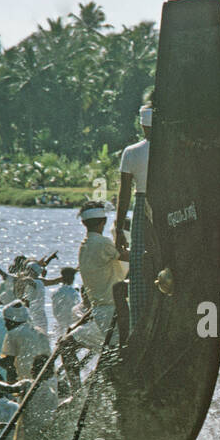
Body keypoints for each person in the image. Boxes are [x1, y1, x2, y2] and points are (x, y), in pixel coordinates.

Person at [116, 103, 152, 331]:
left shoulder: (132, 152)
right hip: (169, 206)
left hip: (142, 204)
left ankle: (138, 321)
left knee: (138, 263)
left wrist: (119, 228)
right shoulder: (175, 151)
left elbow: (124, 193)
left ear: (141, 124)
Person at [76, 202, 128, 345]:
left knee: (114, 348)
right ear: (104, 222)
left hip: (99, 309)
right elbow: (128, 257)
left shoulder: (84, 245)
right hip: (112, 308)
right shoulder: (103, 243)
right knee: (120, 348)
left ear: (84, 223)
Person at [0, 302, 51, 381]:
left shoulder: (13, 334)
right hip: (47, 382)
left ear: (11, 321)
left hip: (27, 383)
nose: (5, 325)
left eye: (6, 321)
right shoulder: (40, 332)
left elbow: (8, 364)